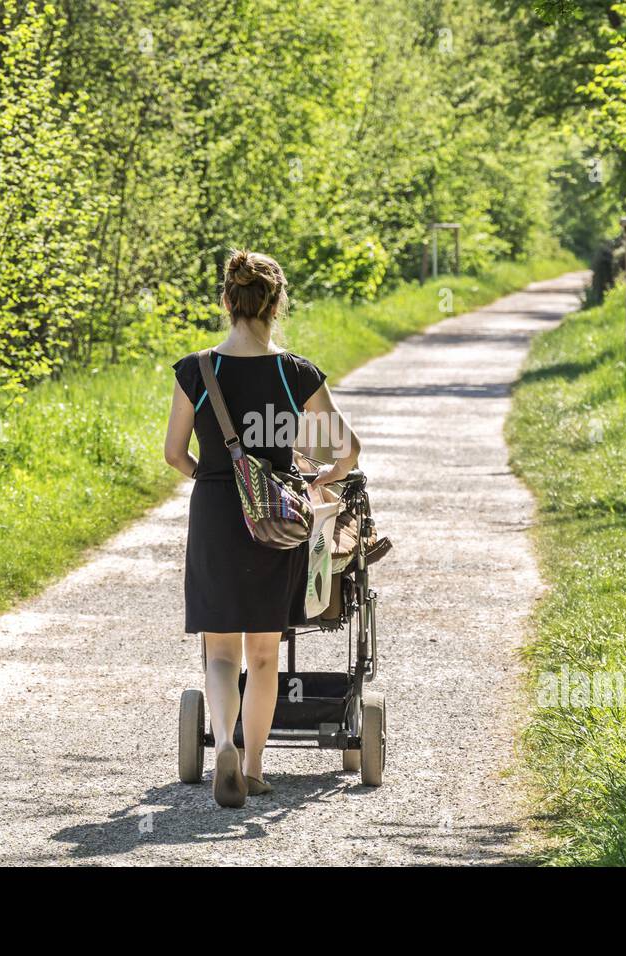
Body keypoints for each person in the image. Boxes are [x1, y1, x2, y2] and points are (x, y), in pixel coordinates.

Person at [164, 249, 360, 808]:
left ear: (227, 301)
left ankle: (222, 741)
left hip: (216, 514)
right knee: (264, 656)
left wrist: (218, 481)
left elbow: (174, 454)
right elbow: (345, 448)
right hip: (275, 517)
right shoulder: (293, 372)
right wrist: (321, 473)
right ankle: (252, 767)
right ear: (277, 304)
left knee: (219, 653)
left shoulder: (197, 369)